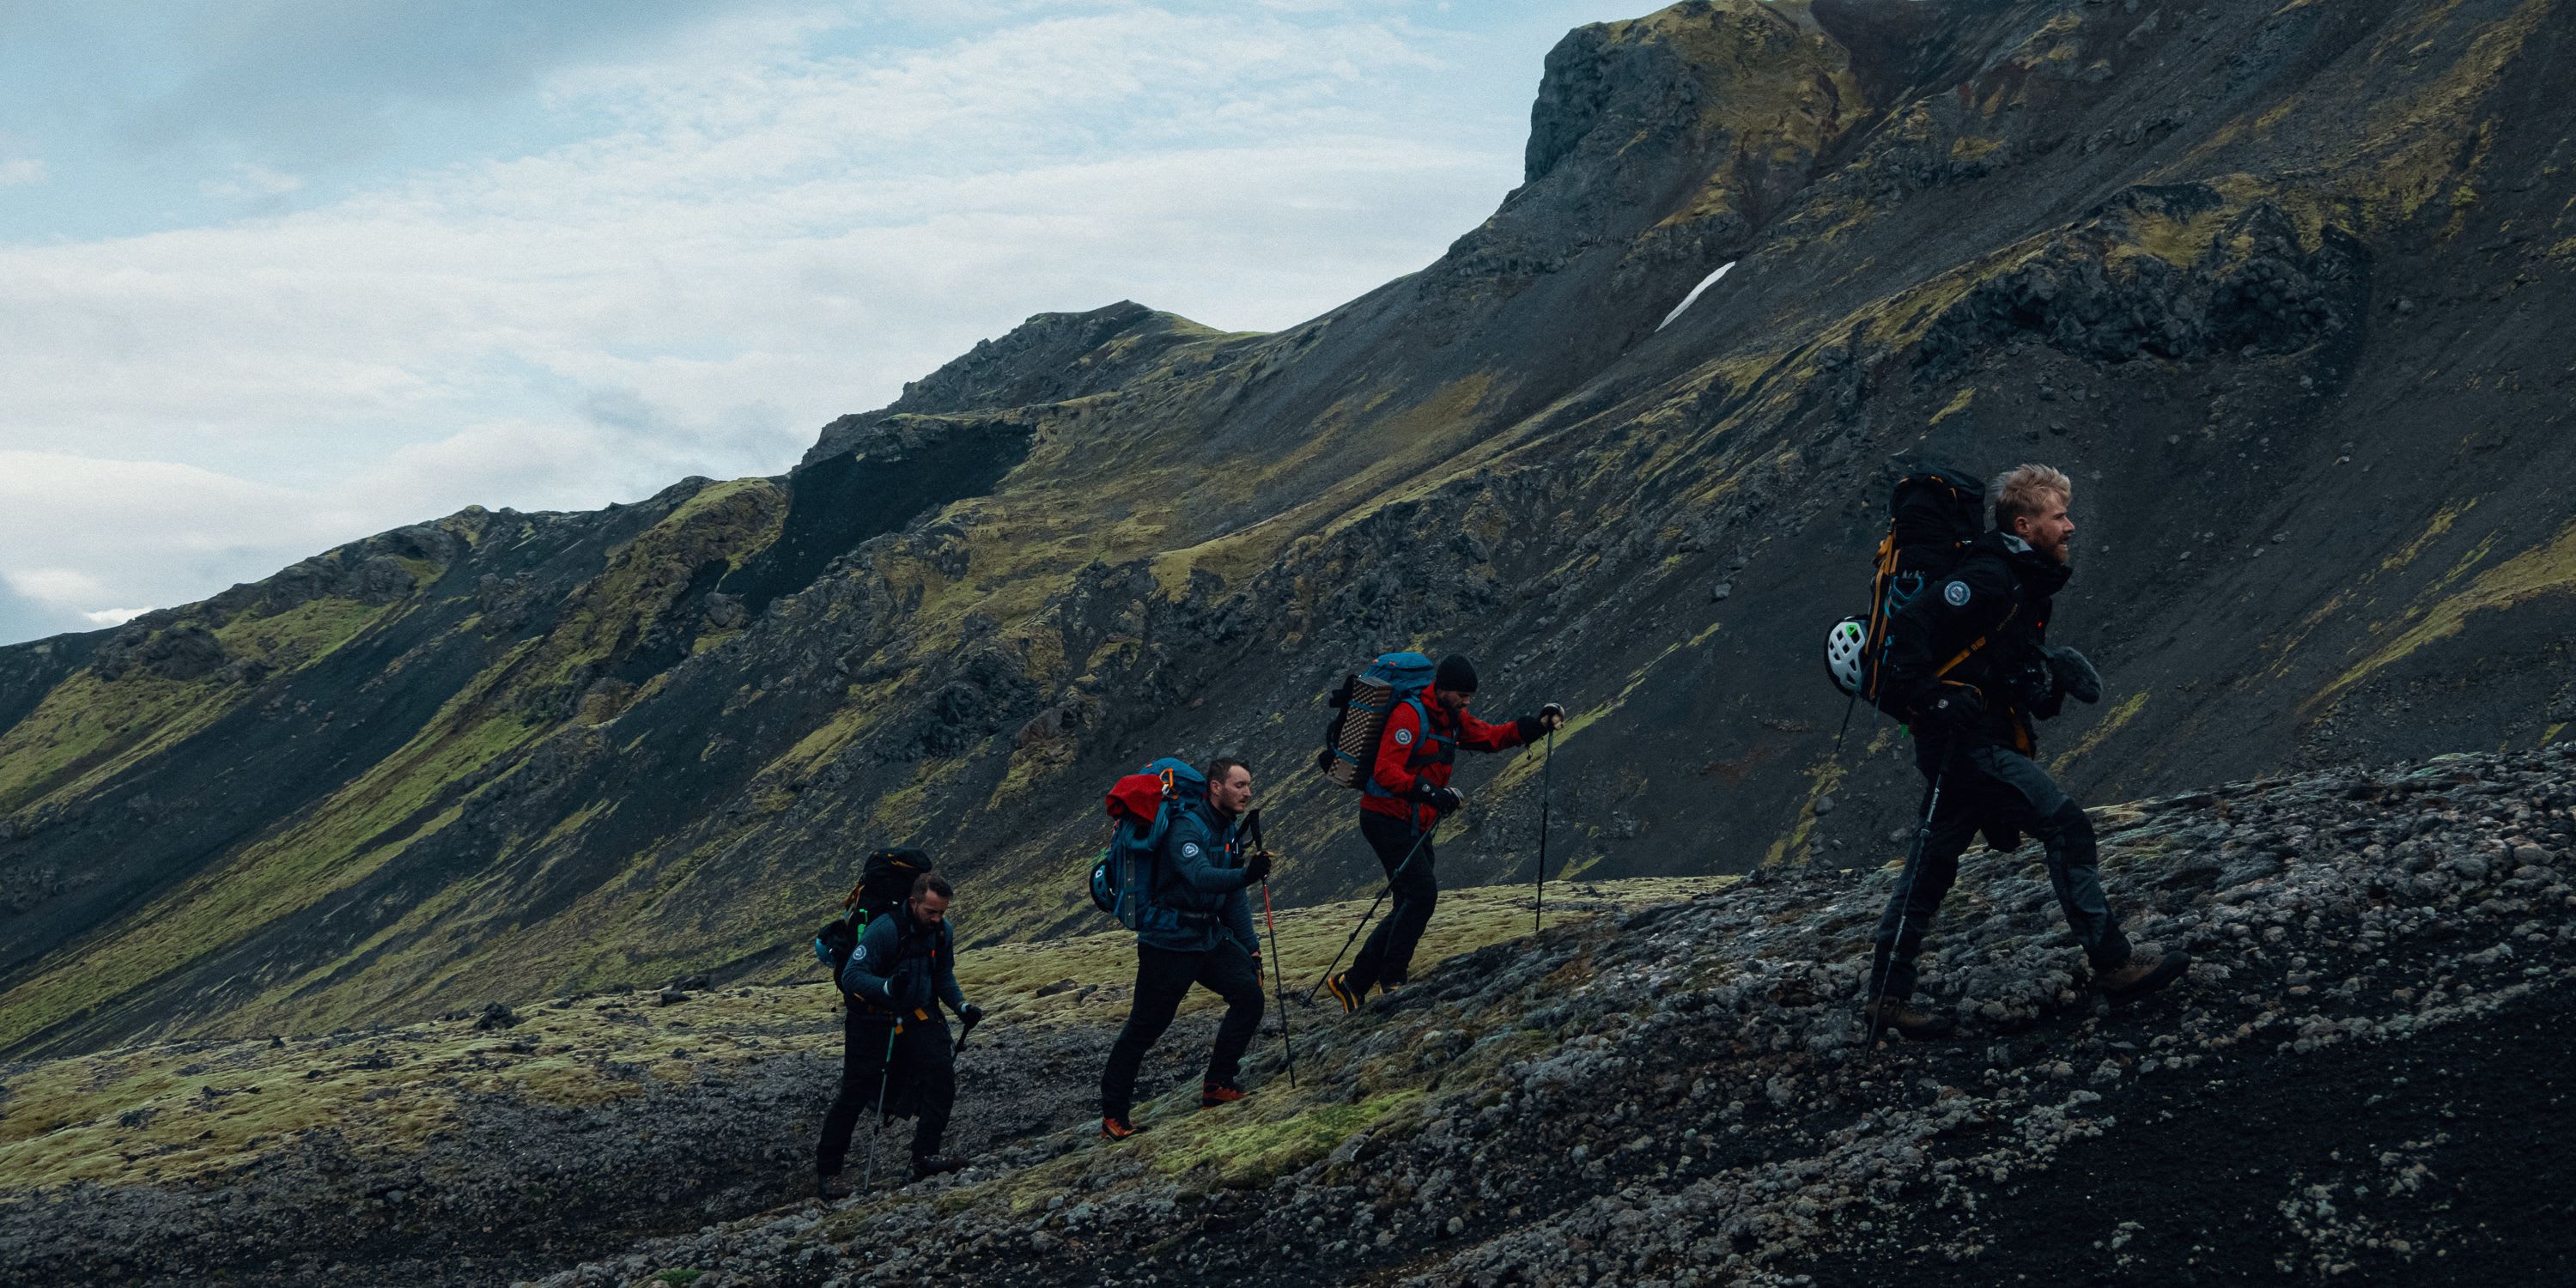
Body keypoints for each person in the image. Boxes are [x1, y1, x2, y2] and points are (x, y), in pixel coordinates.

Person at [1864, 464, 2188, 1039]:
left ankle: (1887, 998)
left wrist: (2048, 679)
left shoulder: (2023, 578)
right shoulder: (1991, 576)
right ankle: (2114, 965)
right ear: (2025, 523)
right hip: (1965, 743)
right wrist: (1934, 700)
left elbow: (2002, 661)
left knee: (1929, 870)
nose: (2070, 527)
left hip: (1967, 740)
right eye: (2058, 516)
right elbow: (1911, 623)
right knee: (2067, 828)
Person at [1325, 654, 1562, 1012]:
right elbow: (1385, 771)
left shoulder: (1452, 718)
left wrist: (1538, 726)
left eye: (1470, 696)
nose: (1467, 702)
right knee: (1421, 895)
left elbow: (1492, 738)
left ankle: (1353, 982)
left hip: (1416, 822)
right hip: (1385, 818)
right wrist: (1429, 792)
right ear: (1444, 689)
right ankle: (1392, 981)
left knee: (1410, 900)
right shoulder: (1409, 715)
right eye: (1463, 695)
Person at [1098, 756, 1273, 1139]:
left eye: (1248, 785)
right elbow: (1200, 877)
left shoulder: (1227, 829)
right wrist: (1245, 874)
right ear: (1215, 787)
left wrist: (1251, 947)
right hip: (1168, 943)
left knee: (1248, 996)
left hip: (1207, 938)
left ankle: (1217, 1084)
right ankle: (1113, 1117)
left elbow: (1232, 896)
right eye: (1239, 785)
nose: (1248, 792)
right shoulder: (1185, 826)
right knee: (1146, 1028)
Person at [817, 871, 980, 1194]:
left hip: (919, 1015)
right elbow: (852, 976)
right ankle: (828, 1173)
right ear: (913, 902)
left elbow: (943, 975)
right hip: (873, 1020)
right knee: (856, 1091)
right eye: (930, 911)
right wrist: (886, 986)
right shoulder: (885, 929)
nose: (936, 919)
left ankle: (925, 1158)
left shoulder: (942, 933)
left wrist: (961, 1006)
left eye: (942, 912)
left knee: (941, 1078)